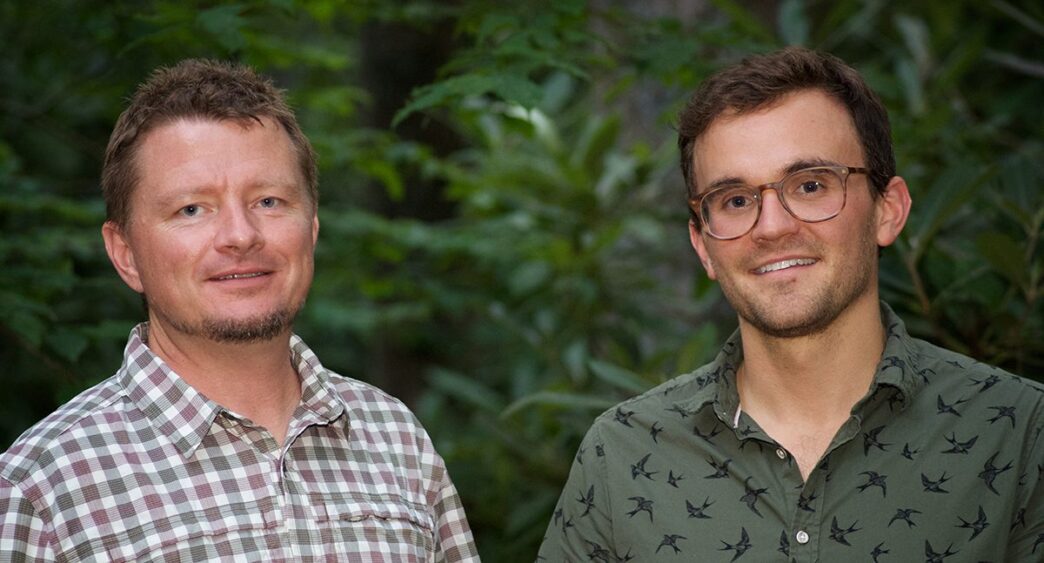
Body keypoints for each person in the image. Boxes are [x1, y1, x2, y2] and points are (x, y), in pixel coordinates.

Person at [538, 47, 1043, 561]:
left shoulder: (1020, 433)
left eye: (810, 185)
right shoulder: (622, 456)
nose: (773, 226)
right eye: (735, 200)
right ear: (702, 245)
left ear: (887, 212)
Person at [0, 59, 478, 561]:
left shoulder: (396, 439)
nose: (240, 236)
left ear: (311, 230)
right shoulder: (40, 491)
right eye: (191, 209)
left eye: (269, 201)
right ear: (125, 254)